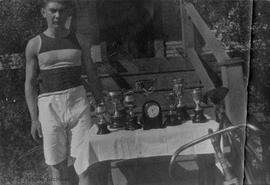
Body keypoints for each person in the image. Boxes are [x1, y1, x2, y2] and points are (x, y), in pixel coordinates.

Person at [24, 0, 104, 184]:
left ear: (68, 12)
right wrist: (34, 119)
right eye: (53, 11)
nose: (57, 16)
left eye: (61, 11)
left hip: (78, 103)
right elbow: (29, 83)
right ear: (44, 12)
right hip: (49, 106)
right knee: (57, 169)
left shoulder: (80, 40)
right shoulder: (34, 45)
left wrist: (100, 103)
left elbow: (91, 73)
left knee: (84, 165)